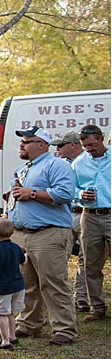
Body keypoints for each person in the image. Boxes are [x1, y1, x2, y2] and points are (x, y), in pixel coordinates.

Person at [8, 126, 78, 345]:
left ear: (42, 144)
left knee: (53, 281)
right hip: (22, 233)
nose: (22, 144)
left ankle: (64, 328)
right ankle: (29, 323)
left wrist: (34, 194)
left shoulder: (56, 165)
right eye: (22, 141)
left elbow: (66, 194)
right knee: (27, 282)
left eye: (27, 141)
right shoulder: (22, 169)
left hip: (48, 233)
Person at [74, 125, 110, 322]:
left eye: (92, 145)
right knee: (90, 263)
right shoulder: (79, 164)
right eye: (84, 146)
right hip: (89, 215)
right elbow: (70, 188)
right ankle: (97, 306)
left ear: (102, 139)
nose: (89, 149)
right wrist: (80, 194)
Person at [53, 131, 89, 314]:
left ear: (73, 145)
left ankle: (81, 297)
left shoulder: (87, 162)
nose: (57, 149)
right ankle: (60, 299)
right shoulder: (61, 165)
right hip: (67, 213)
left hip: (86, 213)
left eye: (61, 145)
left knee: (86, 259)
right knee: (60, 257)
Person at [0, 218, 27, 350]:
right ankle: (12, 335)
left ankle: (5, 341)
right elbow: (24, 262)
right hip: (18, 285)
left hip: (3, 287)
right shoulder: (17, 248)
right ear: (12, 232)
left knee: (1, 313)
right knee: (10, 312)